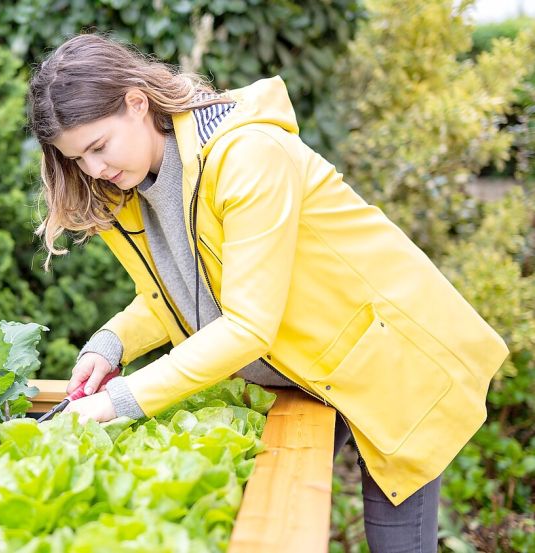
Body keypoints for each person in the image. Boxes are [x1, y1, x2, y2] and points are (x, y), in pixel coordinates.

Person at [27, 33, 508, 553]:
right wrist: (111, 343)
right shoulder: (137, 185)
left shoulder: (247, 155)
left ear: (137, 103)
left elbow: (246, 325)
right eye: (77, 159)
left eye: (99, 146)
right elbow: (183, 293)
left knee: (396, 544)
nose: (94, 169)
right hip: (308, 368)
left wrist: (121, 400)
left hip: (390, 359)